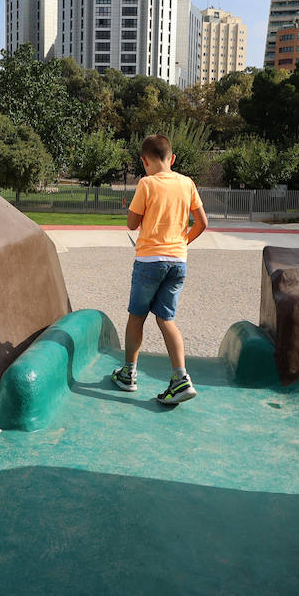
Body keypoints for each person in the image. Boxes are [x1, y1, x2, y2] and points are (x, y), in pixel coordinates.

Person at [111, 135, 207, 406]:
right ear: (172, 159)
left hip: (149, 261)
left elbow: (131, 224)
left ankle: (128, 373)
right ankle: (181, 378)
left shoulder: (146, 183)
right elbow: (202, 222)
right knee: (166, 320)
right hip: (178, 261)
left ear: (144, 161)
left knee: (137, 316)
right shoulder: (187, 183)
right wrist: (182, 242)